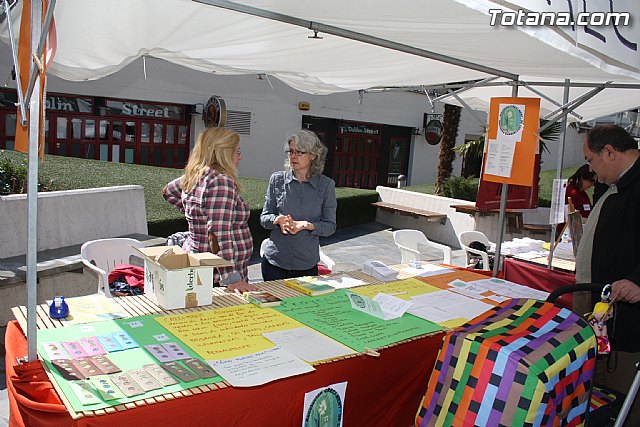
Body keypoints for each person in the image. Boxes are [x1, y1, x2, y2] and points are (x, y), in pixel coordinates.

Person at [576, 124, 640, 425]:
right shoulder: (617, 182)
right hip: (607, 318)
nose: (591, 168)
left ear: (610, 152)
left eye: (591, 159)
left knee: (625, 409)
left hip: (631, 329)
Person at [162, 127, 257, 293]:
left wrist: (197, 215)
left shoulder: (195, 175)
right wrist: (231, 278)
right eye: (236, 151)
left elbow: (168, 191)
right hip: (217, 279)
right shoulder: (220, 182)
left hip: (200, 268)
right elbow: (219, 235)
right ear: (223, 153)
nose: (239, 156)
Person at [260, 129, 337, 281]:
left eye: (299, 152)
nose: (293, 156)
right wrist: (278, 220)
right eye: (291, 151)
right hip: (274, 264)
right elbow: (264, 218)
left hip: (306, 266)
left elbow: (330, 226)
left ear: (313, 155)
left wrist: (307, 225)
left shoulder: (326, 185)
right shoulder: (277, 180)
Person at [555, 164, 596, 237]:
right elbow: (567, 216)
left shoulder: (582, 193)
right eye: (591, 181)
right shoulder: (571, 192)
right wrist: (587, 221)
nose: (592, 184)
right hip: (566, 234)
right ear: (582, 178)